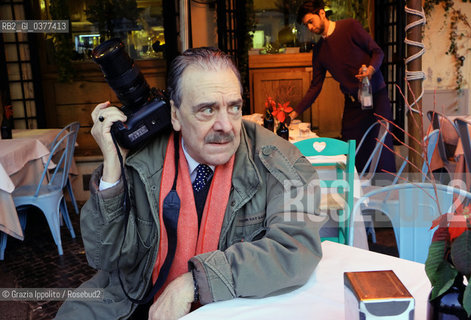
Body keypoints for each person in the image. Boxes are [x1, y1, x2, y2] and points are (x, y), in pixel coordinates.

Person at [55, 47, 323, 320]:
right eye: (207, 110)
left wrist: (194, 282)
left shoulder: (283, 163)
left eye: (234, 108)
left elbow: (295, 249)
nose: (226, 126)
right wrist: (114, 168)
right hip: (134, 300)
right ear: (174, 115)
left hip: (231, 308)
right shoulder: (139, 158)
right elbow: (103, 256)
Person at [291, 0, 396, 175]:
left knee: (382, 147)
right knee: (349, 148)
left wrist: (370, 70)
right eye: (306, 24)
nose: (309, 27)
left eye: (311, 21)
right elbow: (315, 87)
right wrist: (294, 113)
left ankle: (387, 194)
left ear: (322, 13)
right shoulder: (319, 51)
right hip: (354, 104)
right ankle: (356, 191)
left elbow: (378, 52)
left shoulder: (350, 27)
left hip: (376, 95)